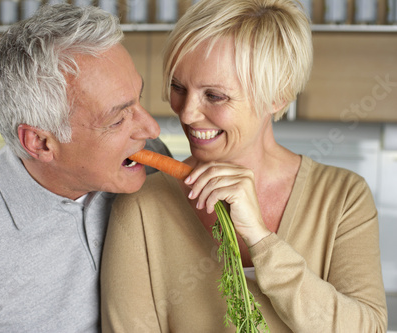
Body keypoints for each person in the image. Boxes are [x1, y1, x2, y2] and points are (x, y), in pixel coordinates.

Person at [100, 0, 388, 331]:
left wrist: (261, 240)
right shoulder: (142, 206)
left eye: (215, 96)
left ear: (277, 96)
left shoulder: (341, 198)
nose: (186, 113)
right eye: (178, 87)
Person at [0, 3, 171, 332]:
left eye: (138, 99)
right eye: (117, 119)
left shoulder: (152, 166)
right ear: (40, 143)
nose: (151, 129)